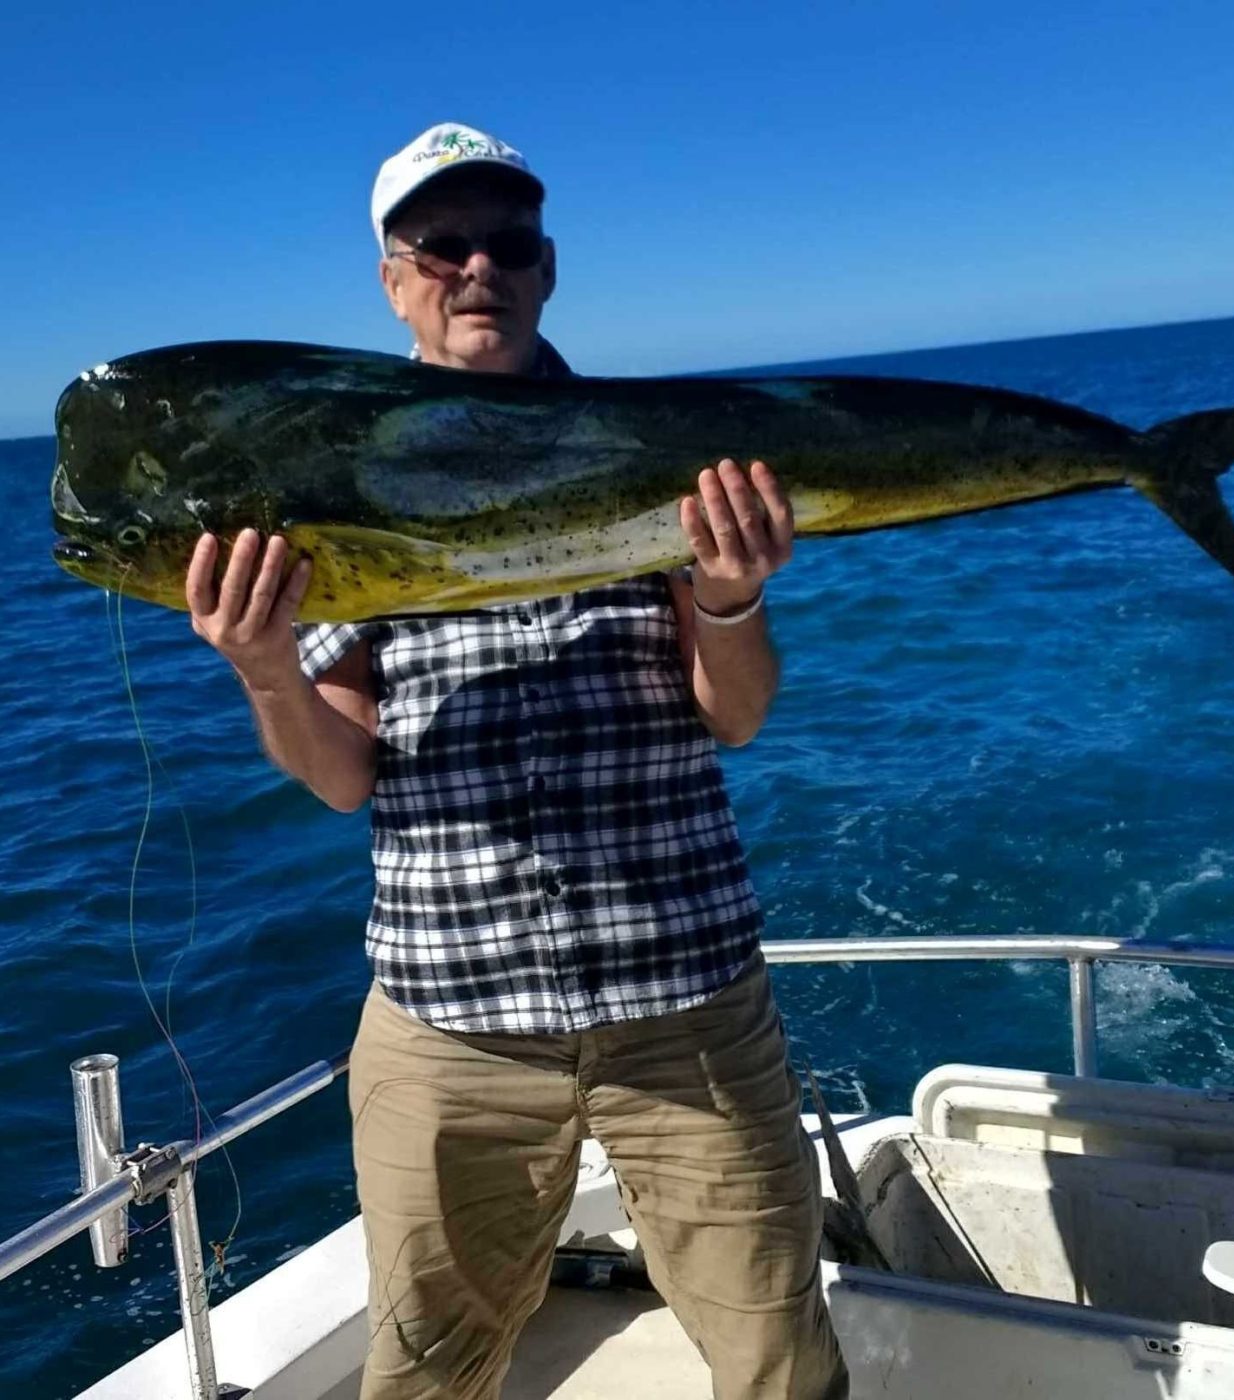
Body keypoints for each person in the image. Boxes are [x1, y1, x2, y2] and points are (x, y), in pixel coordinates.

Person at [183, 122, 848, 1400]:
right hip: (450, 1029)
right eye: (443, 245)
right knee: (426, 1373)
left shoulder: (658, 449)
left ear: (547, 269)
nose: (476, 266)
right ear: (393, 278)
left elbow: (735, 717)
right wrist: (264, 664)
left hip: (686, 1003)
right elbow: (342, 773)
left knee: (778, 1359)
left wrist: (725, 597)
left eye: (508, 242)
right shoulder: (338, 481)